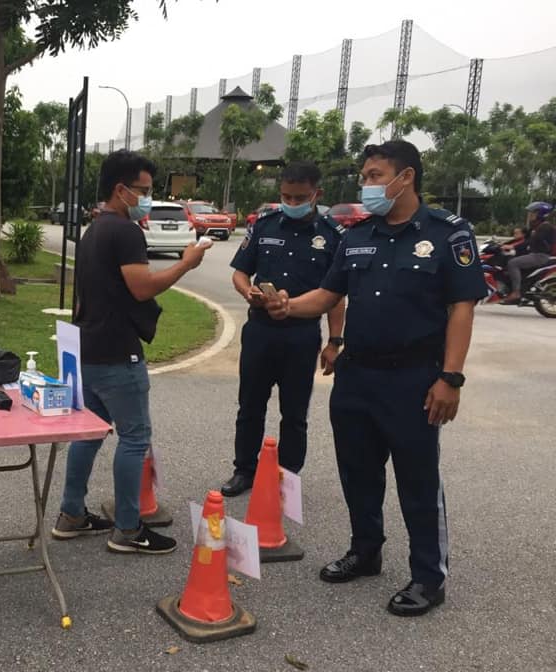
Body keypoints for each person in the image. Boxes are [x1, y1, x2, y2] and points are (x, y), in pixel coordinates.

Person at [265, 140, 486, 616]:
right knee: (358, 472)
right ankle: (366, 551)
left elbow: (461, 309)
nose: (366, 184)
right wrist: (287, 306)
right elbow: (327, 294)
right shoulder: (357, 235)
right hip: (356, 377)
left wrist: (451, 378)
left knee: (417, 480)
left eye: (373, 175)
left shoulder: (448, 234)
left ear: (405, 178)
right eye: (364, 175)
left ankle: (429, 575)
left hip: (413, 379)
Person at [52, 149, 209, 554]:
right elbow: (142, 287)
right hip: (119, 352)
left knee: (90, 434)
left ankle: (71, 514)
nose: (147, 199)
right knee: (135, 438)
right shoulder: (124, 232)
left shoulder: (95, 229)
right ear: (120, 190)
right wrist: (187, 263)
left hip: (88, 347)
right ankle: (127, 528)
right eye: (143, 191)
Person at [222, 161, 346, 497]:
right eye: (286, 197)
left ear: (316, 194)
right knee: (250, 405)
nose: (292, 204)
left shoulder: (332, 235)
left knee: (294, 412)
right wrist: (247, 290)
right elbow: (239, 272)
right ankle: (244, 470)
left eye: (300, 198)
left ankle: (285, 477)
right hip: (260, 332)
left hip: (302, 336)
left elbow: (336, 297)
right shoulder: (265, 225)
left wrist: (335, 342)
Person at [501, 208, 555, 303]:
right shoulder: (537, 227)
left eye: (533, 214)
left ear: (541, 215)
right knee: (511, 259)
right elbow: (523, 240)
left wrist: (512, 246)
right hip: (534, 254)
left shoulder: (545, 228)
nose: (530, 217)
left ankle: (516, 292)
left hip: (540, 256)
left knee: (513, 263)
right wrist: (503, 244)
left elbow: (529, 242)